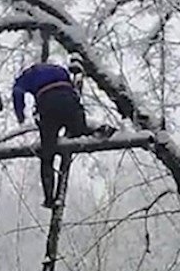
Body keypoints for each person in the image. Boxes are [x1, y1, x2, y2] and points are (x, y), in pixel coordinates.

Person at [12, 56, 111, 208]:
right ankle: (99, 130)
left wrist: (20, 115)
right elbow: (71, 89)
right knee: (78, 131)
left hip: (48, 103)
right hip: (69, 99)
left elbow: (17, 92)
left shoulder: (26, 76)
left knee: (48, 153)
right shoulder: (60, 70)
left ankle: (49, 197)